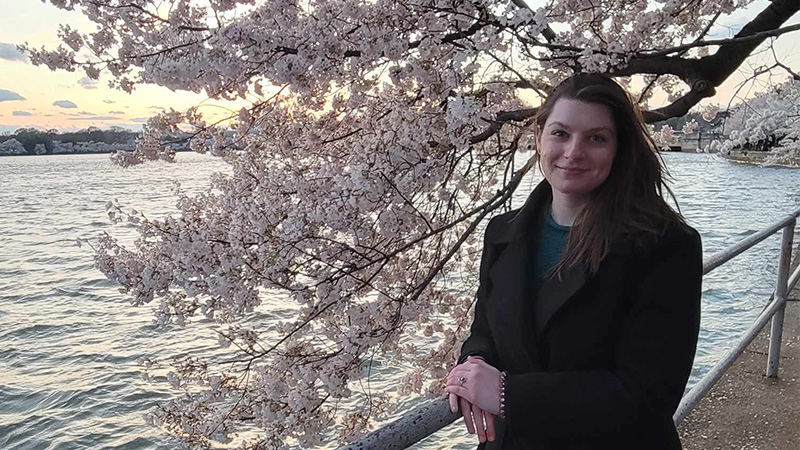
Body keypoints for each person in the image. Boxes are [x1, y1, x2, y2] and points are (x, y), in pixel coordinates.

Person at [443, 73, 703, 450]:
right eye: (560, 133)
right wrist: (472, 366)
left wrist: (506, 395)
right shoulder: (502, 232)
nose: (574, 152)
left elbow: (650, 393)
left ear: (619, 149)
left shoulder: (664, 246)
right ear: (538, 139)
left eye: (596, 138)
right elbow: (486, 329)